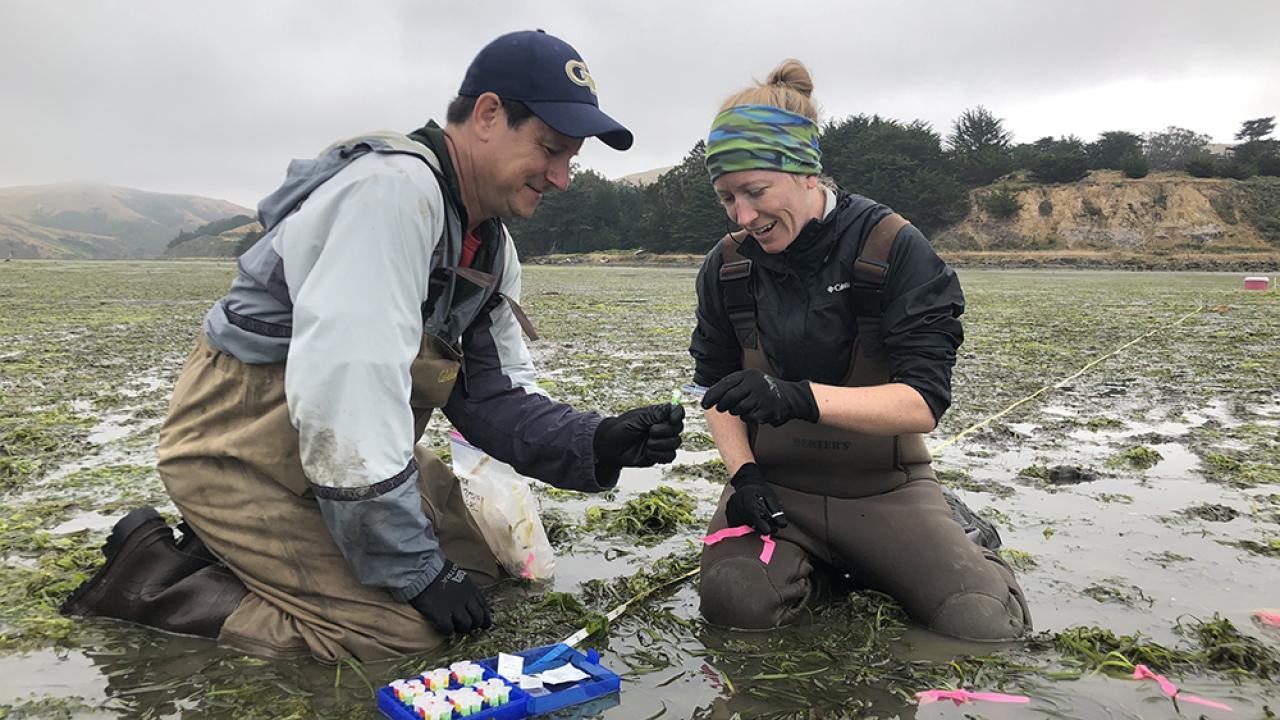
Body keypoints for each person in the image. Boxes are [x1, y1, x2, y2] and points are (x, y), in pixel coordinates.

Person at [62, 30, 684, 662]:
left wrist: (593, 441)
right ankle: (151, 580)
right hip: (240, 444)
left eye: (569, 158)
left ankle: (236, 552)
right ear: (490, 115)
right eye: (551, 150)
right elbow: (348, 404)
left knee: (484, 576)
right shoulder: (392, 193)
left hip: (335, 450)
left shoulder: (489, 246)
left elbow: (490, 395)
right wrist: (412, 567)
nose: (563, 178)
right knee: (397, 633)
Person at [689, 60, 1030, 640]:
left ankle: (964, 536)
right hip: (776, 492)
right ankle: (820, 570)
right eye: (727, 198)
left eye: (755, 191)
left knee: (980, 623)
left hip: (885, 490)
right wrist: (743, 477)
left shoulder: (894, 246)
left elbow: (922, 403)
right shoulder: (728, 266)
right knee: (733, 604)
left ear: (804, 172)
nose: (743, 216)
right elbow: (715, 389)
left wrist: (795, 397)